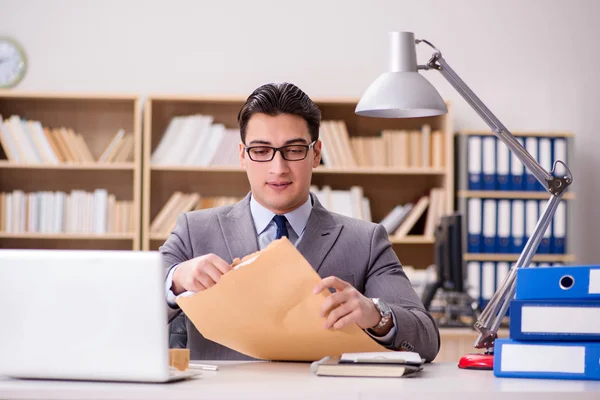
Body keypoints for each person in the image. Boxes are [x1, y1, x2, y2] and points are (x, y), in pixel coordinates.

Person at [161, 82, 440, 362]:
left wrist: (377, 316)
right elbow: (127, 311)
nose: (278, 168)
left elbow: (426, 339)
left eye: (293, 150)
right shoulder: (194, 230)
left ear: (316, 153)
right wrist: (176, 279)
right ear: (243, 156)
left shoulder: (365, 240)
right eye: (261, 151)